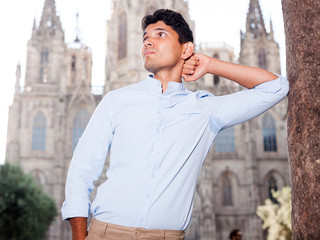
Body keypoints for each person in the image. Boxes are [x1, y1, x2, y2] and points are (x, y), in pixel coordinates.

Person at [61, 9, 289, 240]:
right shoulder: (116, 100)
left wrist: (209, 64)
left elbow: (276, 88)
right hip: (105, 232)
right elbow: (81, 170)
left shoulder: (204, 109)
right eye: (145, 37)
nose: (148, 40)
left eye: (160, 34)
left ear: (186, 48)